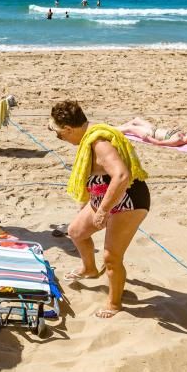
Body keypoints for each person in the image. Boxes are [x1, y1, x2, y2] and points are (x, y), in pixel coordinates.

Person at [49, 101, 151, 319]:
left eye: (59, 134)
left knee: (111, 257)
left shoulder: (100, 144)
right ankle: (89, 269)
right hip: (104, 197)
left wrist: (103, 210)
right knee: (76, 232)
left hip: (129, 200)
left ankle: (114, 304)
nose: (61, 138)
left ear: (68, 129)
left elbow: (121, 176)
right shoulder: (89, 137)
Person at [118, 117, 187, 147]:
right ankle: (119, 128)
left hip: (151, 134)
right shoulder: (182, 136)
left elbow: (159, 143)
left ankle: (112, 129)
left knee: (130, 128)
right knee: (136, 120)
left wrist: (146, 137)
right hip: (154, 129)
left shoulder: (178, 140)